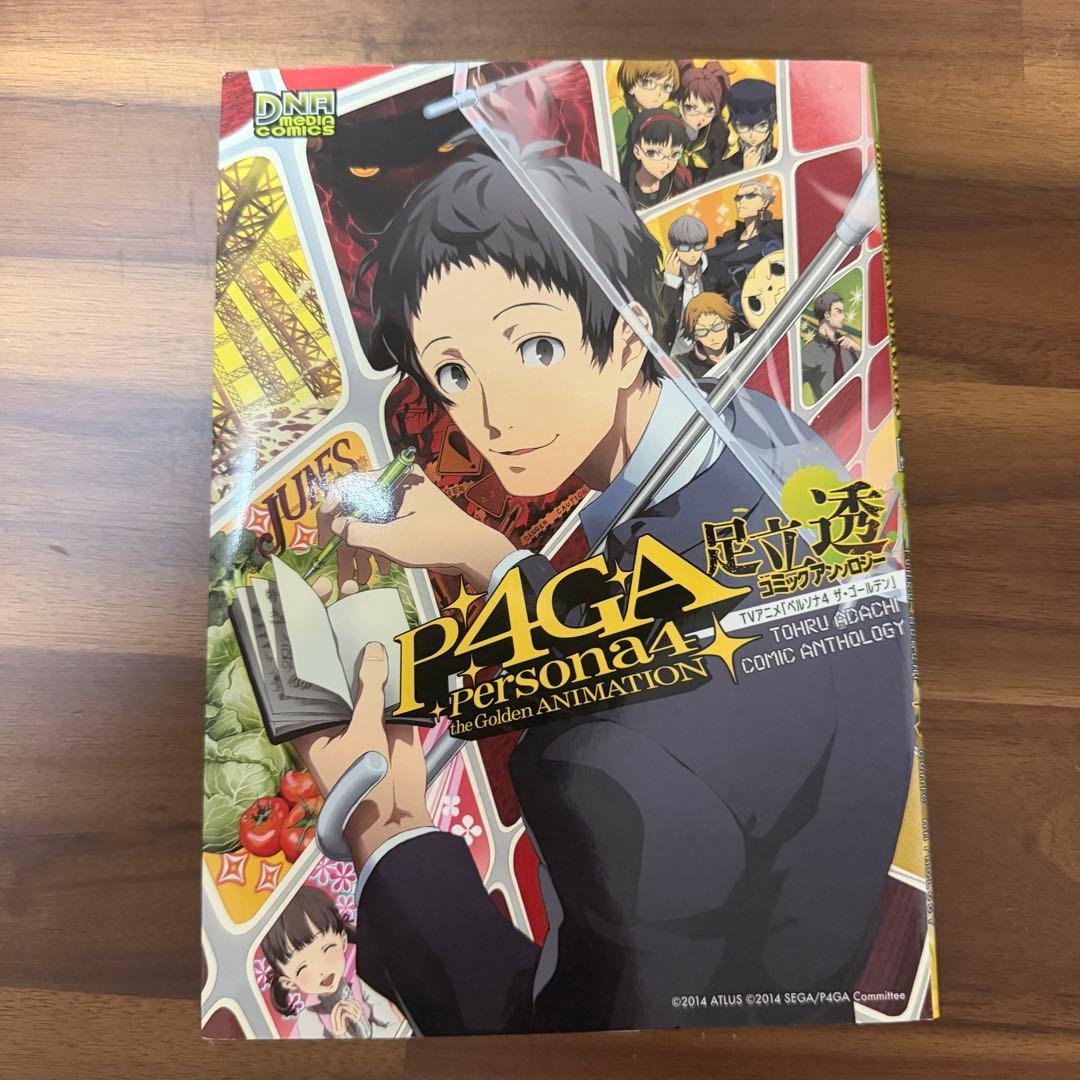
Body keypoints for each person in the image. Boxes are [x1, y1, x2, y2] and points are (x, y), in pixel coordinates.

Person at [293, 151, 915, 1035]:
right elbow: (678, 622)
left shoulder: (596, 761)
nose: (495, 414)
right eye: (454, 373)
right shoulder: (770, 444)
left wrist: (389, 835)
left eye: (535, 348)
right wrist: (492, 557)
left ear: (627, 333)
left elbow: (557, 1045)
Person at [262, 886, 393, 1039]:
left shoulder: (364, 983)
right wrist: (341, 1035)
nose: (321, 969)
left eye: (327, 948)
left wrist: (362, 1024)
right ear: (289, 982)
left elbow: (398, 1026)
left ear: (342, 941)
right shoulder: (309, 1020)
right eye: (303, 967)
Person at [704, 178, 784, 329]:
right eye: (738, 197)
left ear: (764, 202)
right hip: (737, 316)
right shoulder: (728, 239)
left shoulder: (776, 231)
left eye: (750, 196)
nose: (741, 201)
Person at [610, 59, 680, 165]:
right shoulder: (621, 113)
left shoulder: (668, 111)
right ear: (631, 87)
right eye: (647, 83)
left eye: (666, 87)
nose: (658, 93)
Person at [621, 108, 692, 211]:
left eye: (675, 154)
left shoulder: (683, 180)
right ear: (637, 151)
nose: (666, 164)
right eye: (654, 153)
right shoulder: (622, 192)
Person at [673, 59, 731, 185]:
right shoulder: (669, 126)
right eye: (691, 108)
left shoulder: (717, 132)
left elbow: (716, 170)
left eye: (709, 110)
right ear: (679, 103)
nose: (700, 118)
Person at [659, 215, 710, 352]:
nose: (693, 253)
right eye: (685, 247)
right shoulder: (664, 279)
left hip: (707, 346)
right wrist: (670, 282)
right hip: (677, 351)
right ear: (674, 249)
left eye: (698, 246)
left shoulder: (711, 272)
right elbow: (659, 321)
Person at [801, 290, 862, 402]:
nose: (843, 317)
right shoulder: (808, 353)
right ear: (827, 315)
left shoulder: (849, 343)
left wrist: (859, 349)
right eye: (839, 312)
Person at [714, 78, 778, 177]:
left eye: (761, 126)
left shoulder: (779, 159)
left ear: (773, 123)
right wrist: (746, 172)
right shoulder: (726, 167)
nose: (752, 135)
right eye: (743, 126)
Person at [680, 291, 740, 367]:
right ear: (695, 336)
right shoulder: (686, 366)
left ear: (727, 323)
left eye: (717, 327)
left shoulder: (747, 342)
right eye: (702, 332)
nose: (712, 337)